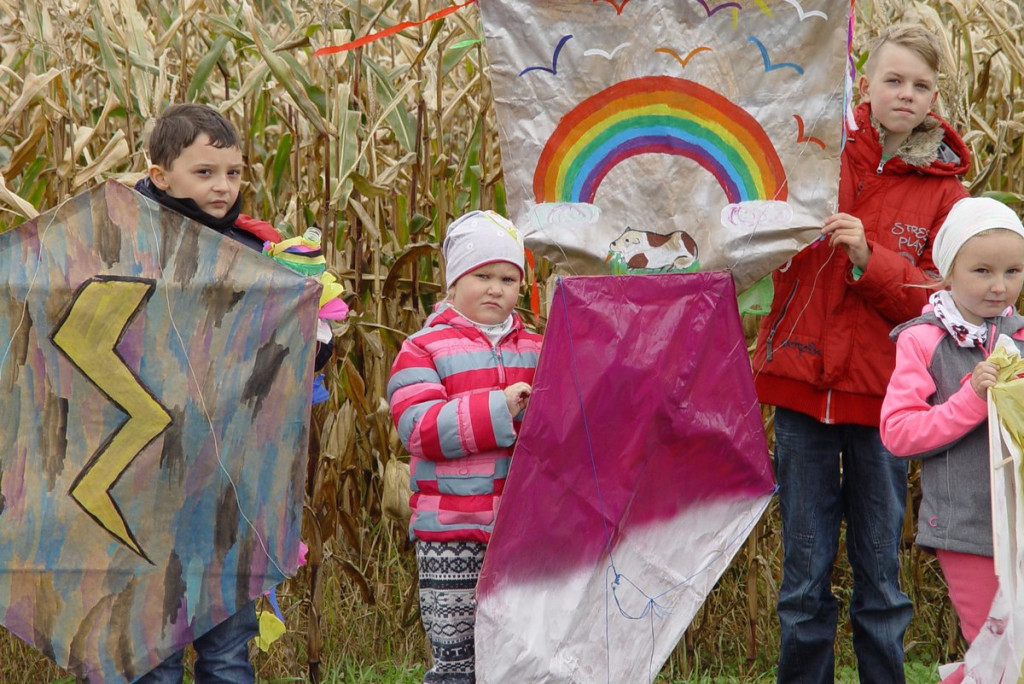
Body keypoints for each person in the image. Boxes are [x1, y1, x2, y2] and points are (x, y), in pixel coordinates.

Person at [750, 23, 971, 683]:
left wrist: (868, 259)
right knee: (803, 581)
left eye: (921, 85)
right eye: (893, 79)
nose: (905, 94)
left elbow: (940, 298)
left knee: (880, 579)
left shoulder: (945, 193)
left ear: (936, 97)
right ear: (865, 83)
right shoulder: (813, 150)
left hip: (885, 407)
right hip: (799, 395)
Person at [132, 103, 286, 684]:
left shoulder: (259, 252)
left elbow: (280, 366)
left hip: (231, 482)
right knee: (152, 647)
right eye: (204, 172)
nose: (223, 186)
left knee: (227, 649)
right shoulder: (121, 243)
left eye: (234, 172)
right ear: (159, 173)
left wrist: (311, 339)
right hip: (142, 483)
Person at [387, 210, 542, 684]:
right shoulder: (423, 350)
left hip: (524, 535)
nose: (495, 288)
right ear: (453, 282)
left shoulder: (539, 349)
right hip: (450, 533)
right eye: (482, 275)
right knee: (457, 662)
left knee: (520, 658)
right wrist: (501, 408)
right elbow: (420, 428)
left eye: (508, 278)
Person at [880, 197, 1024, 684]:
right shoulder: (922, 339)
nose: (1000, 286)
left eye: (1013, 270)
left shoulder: (1020, 335)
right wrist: (971, 399)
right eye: (982, 270)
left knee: (1011, 657)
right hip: (966, 526)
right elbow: (899, 433)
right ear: (947, 271)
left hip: (1019, 524)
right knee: (994, 652)